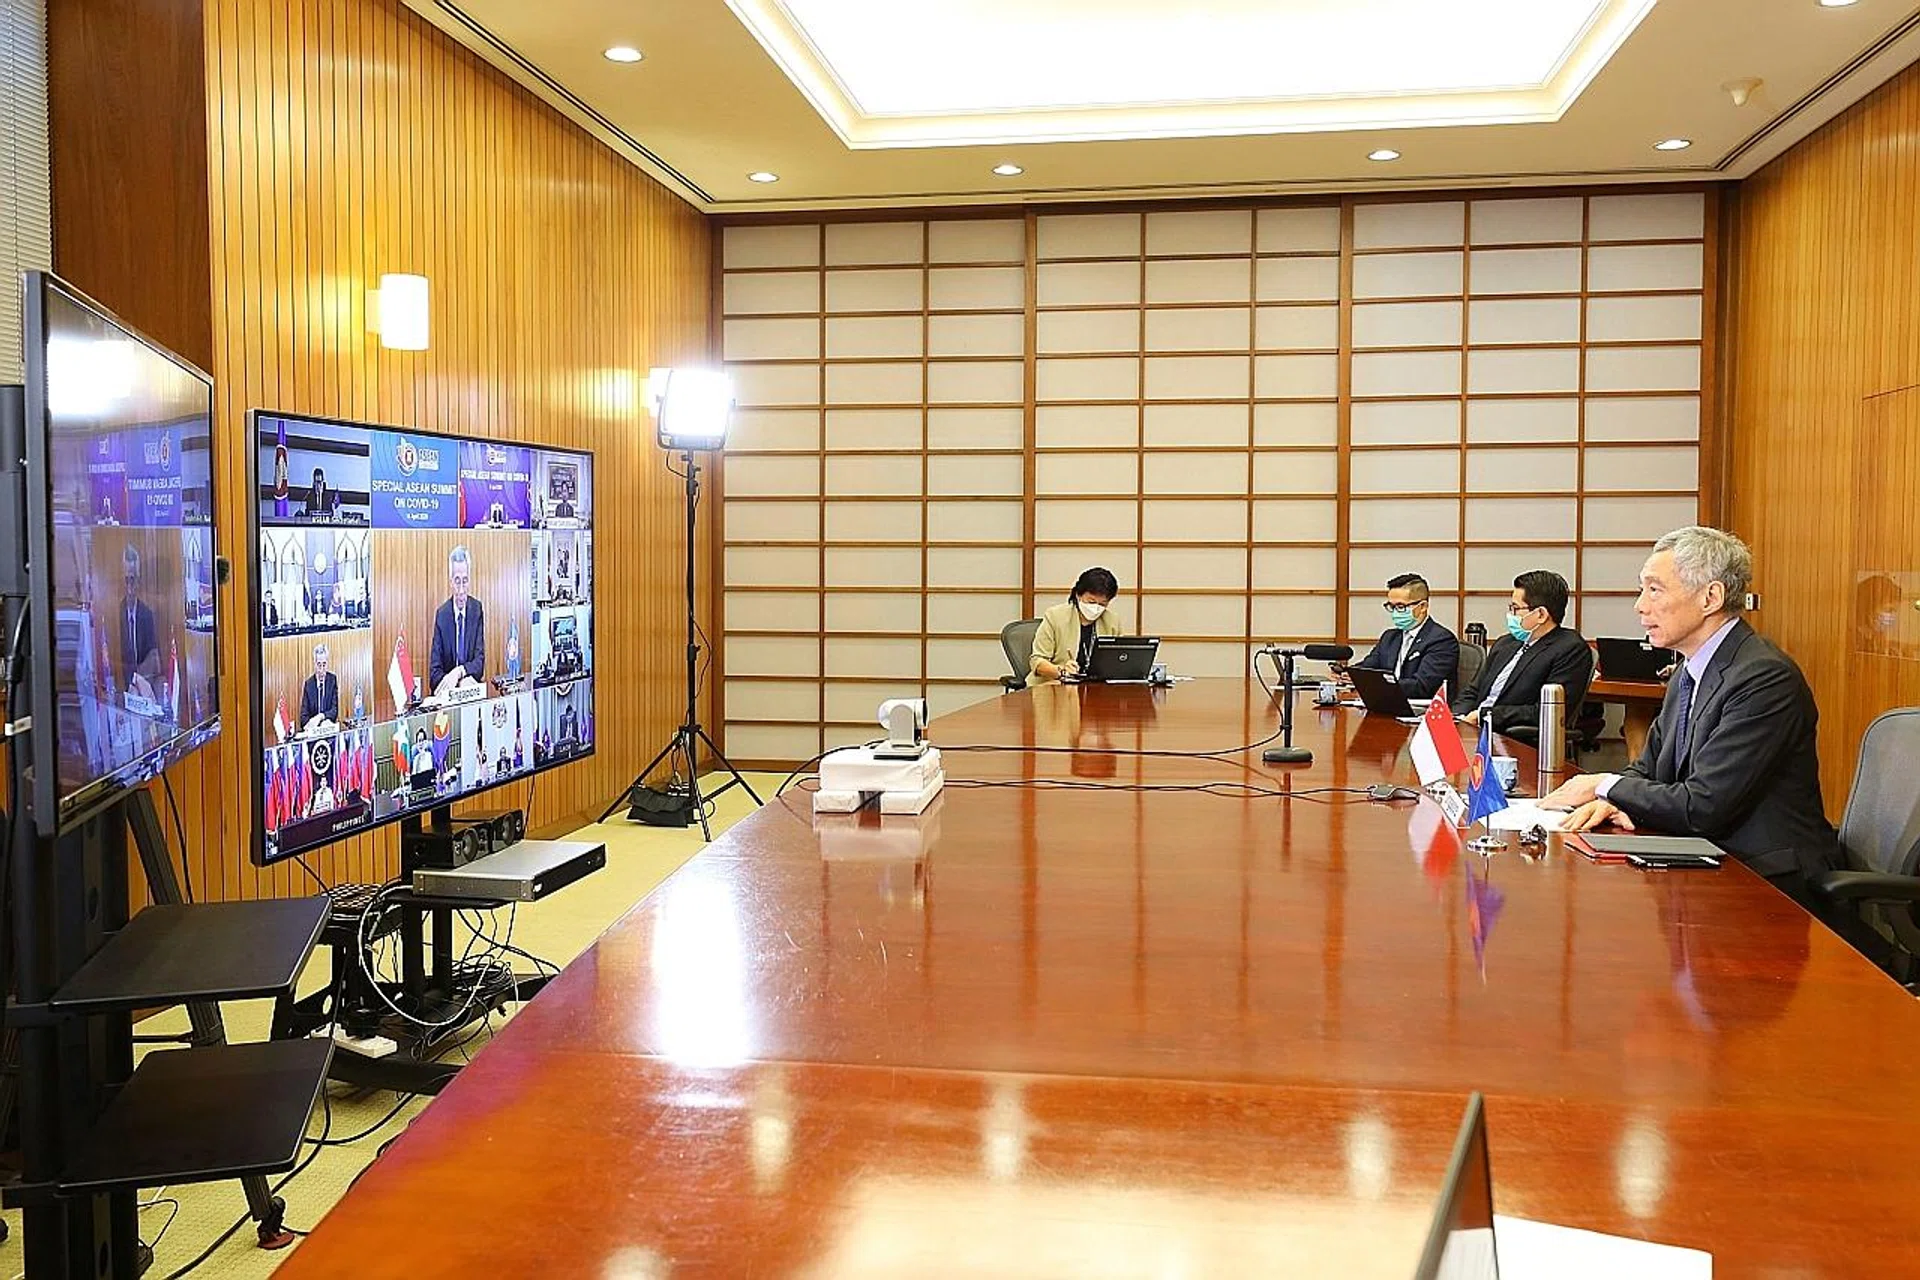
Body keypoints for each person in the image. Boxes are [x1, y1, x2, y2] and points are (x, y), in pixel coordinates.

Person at [1544, 527, 1840, 907]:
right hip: (1706, 859)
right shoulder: (1689, 670)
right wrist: (1616, 798)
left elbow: (1703, 806)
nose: (1639, 605)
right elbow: (1646, 768)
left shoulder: (1763, 677)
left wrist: (1604, 784)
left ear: (1710, 597)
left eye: (1654, 589)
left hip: (1767, 882)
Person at [1451, 570, 1593, 741]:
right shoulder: (1505, 643)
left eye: (1515, 608)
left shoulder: (1570, 649)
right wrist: (1457, 717)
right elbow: (1474, 691)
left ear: (1541, 614)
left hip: (1511, 738)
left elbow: (1545, 712)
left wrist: (1484, 715)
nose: (1511, 615)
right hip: (1472, 732)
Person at [1337, 572, 1458, 700]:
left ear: (1422, 607)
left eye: (1400, 606)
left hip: (1420, 711)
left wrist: (1380, 686)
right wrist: (1349, 675)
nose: (1395, 612)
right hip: (1386, 704)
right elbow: (1369, 667)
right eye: (1391, 606)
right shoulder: (1390, 637)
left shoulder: (1441, 640)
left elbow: (1422, 687)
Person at [1028, 567, 1122, 686]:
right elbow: (1037, 661)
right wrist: (1061, 671)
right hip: (1056, 686)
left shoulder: (1112, 621)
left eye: (1102, 604)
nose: (1096, 608)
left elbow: (1119, 659)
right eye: (1091, 602)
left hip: (1096, 689)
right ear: (1078, 595)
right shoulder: (1055, 616)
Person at [429, 544, 486, 693]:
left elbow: (479, 664)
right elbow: (434, 673)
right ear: (450, 582)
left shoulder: (477, 610)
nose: (461, 590)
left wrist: (459, 672)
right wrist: (453, 682)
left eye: (465, 581)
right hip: (449, 694)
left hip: (470, 689)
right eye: (457, 581)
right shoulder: (442, 615)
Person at [117, 545, 160, 692]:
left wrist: (138, 682)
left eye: (133, 580)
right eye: (126, 580)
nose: (130, 587)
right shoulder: (117, 612)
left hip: (144, 684)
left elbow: (152, 656)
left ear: (139, 582)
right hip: (123, 686)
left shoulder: (147, 615)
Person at [299, 642, 340, 731]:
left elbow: (334, 711)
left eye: (324, 664)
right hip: (313, 733)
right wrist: (311, 723)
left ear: (327, 663)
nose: (321, 669)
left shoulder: (332, 680)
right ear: (314, 664)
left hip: (328, 730)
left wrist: (321, 717)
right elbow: (303, 717)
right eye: (319, 665)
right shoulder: (308, 684)